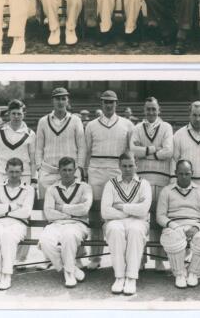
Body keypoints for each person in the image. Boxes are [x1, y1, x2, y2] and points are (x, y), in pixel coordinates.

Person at [85, 90, 134, 269]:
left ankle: (120, 259)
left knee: (118, 214)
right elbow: (87, 151)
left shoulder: (127, 124)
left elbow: (130, 152)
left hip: (117, 172)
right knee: (96, 214)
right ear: (101, 104)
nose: (108, 105)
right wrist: (85, 171)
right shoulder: (91, 125)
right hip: (96, 170)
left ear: (116, 104)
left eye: (111, 102)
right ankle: (95, 258)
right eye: (105, 102)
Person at [130, 96, 173, 270]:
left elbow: (169, 151)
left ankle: (158, 259)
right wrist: (155, 149)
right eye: (148, 109)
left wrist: (145, 152)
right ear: (144, 110)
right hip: (141, 179)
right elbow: (133, 150)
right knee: (139, 219)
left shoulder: (166, 127)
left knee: (158, 219)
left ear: (159, 110)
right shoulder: (137, 128)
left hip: (161, 178)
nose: (151, 112)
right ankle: (139, 259)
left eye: (153, 109)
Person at [101, 151, 152, 295]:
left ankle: (131, 277)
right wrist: (130, 211)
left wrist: (122, 206)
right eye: (124, 166)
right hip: (116, 221)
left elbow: (143, 210)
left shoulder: (144, 184)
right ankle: (119, 276)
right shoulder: (111, 184)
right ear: (119, 166)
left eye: (131, 165)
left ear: (137, 165)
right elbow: (105, 211)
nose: (127, 169)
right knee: (115, 231)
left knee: (135, 231)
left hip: (138, 222)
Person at [157, 160, 200, 288]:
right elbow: (160, 215)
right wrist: (175, 226)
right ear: (175, 173)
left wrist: (196, 227)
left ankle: (194, 273)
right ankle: (180, 274)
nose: (183, 177)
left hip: (195, 226)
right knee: (173, 238)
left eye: (187, 174)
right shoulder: (167, 191)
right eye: (180, 173)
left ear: (192, 173)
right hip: (174, 226)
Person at [39, 157, 93, 288]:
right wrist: (72, 212)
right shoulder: (52, 189)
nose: (67, 173)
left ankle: (69, 274)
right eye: (64, 170)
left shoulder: (85, 187)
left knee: (69, 236)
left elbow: (84, 209)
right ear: (59, 171)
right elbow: (49, 213)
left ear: (75, 170)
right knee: (44, 241)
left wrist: (61, 208)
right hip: (56, 224)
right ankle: (71, 268)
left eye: (70, 170)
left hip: (78, 224)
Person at [0, 157, 35, 290]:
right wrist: (13, 207)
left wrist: (2, 208)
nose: (14, 175)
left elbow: (26, 212)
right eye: (11, 172)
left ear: (22, 172)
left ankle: (6, 274)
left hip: (18, 224)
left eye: (17, 172)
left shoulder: (28, 189)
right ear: (6, 171)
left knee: (7, 236)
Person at [35, 87, 86, 199]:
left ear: (68, 101)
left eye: (63, 99)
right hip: (48, 170)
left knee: (70, 205)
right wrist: (39, 166)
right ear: (52, 101)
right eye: (57, 99)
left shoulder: (76, 120)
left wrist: (80, 167)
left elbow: (82, 146)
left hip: (70, 171)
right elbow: (38, 148)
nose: (60, 102)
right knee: (46, 205)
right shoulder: (43, 121)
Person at [0, 99, 36, 185]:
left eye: (19, 114)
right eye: (13, 113)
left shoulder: (31, 134)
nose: (16, 116)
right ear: (9, 114)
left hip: (24, 177)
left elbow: (33, 161)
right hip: (1, 176)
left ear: (24, 115)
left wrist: (34, 179)